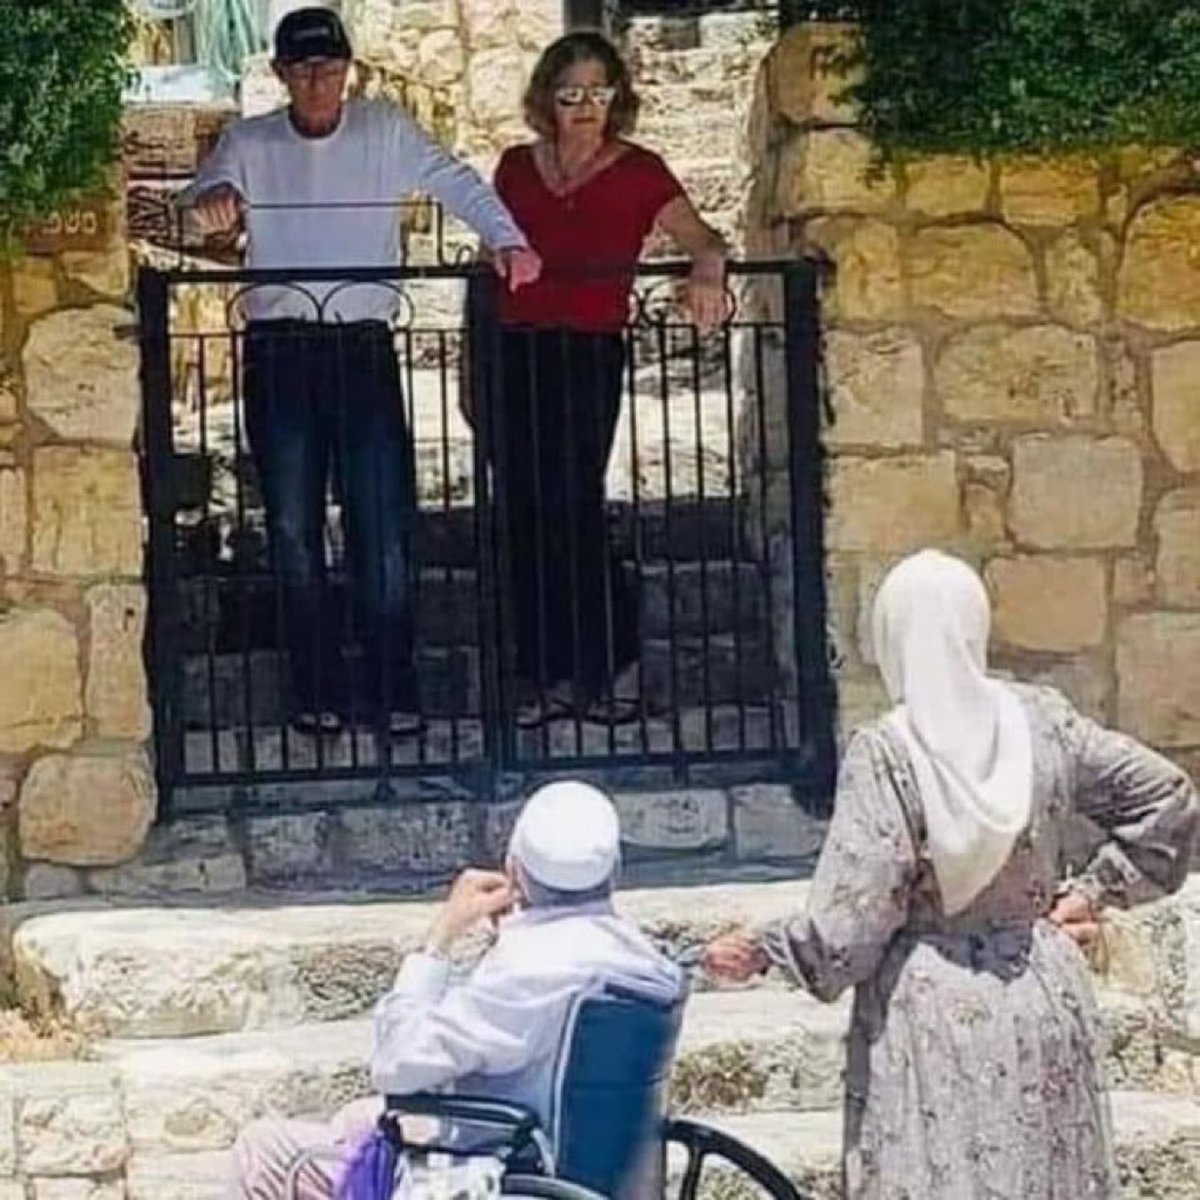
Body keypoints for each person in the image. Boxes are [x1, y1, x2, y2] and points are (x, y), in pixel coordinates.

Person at [705, 549, 1198, 1199]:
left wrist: (765, 947)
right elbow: (1167, 798)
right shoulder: (1043, 721)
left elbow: (848, 931)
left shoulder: (887, 754)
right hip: (1041, 985)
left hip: (930, 1008)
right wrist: (1091, 893)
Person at [183, 6, 540, 738]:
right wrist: (209, 209)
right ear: (281, 76)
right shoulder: (248, 141)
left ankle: (392, 683)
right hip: (280, 348)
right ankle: (314, 684)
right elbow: (195, 209)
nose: (319, 82)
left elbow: (457, 181)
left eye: (330, 67)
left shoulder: (384, 128)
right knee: (290, 526)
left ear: (349, 72)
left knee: (382, 523)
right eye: (303, 69)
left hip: (361, 347)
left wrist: (507, 240)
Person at [232, 779, 683, 1198]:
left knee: (265, 1149)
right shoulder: (648, 963)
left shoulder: (525, 973)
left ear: (514, 870)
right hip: (594, 1169)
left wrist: (440, 938)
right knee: (356, 1119)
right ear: (615, 872)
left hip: (513, 1171)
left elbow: (397, 1064)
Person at [476, 31, 728, 729]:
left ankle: (613, 666)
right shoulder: (516, 168)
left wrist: (707, 272)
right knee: (523, 511)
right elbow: (488, 256)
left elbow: (704, 239)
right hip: (514, 350)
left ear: (617, 96)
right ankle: (544, 674)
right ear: (546, 99)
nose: (585, 106)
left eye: (598, 91)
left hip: (587, 354)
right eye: (570, 93)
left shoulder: (641, 171)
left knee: (575, 505)